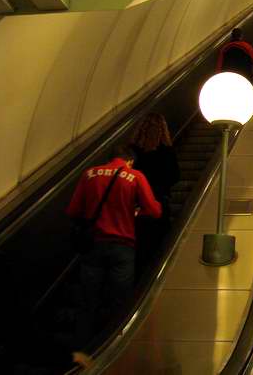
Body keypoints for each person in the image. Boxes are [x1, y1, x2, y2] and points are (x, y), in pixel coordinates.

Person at [66, 145, 161, 347]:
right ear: (130, 161)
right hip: (122, 245)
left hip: (93, 245)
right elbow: (154, 211)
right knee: (120, 300)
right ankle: (114, 346)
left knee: (87, 300)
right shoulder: (135, 176)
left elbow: (73, 210)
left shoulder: (89, 174)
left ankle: (81, 348)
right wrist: (135, 212)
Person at [130, 112, 180, 275]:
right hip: (160, 203)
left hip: (136, 207)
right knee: (158, 245)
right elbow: (175, 176)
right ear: (162, 129)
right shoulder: (167, 151)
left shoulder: (132, 152)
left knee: (137, 247)